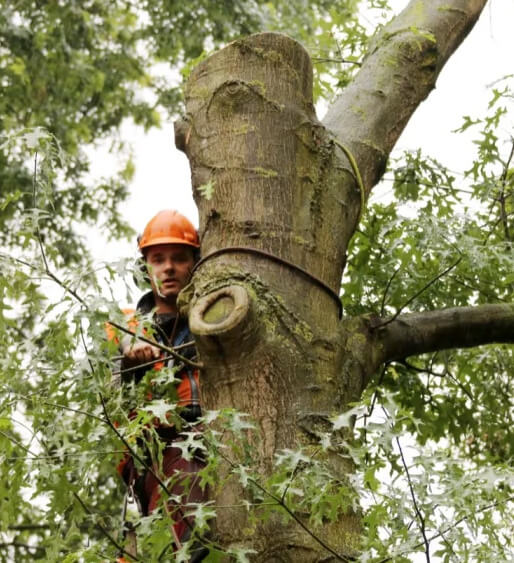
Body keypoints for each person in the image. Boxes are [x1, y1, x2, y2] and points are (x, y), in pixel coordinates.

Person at [112, 209, 207, 561]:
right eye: (158, 259)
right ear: (146, 266)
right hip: (159, 449)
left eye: (179, 259)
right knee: (181, 535)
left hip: (210, 440)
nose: (168, 268)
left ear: (194, 264)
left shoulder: (211, 316)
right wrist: (132, 355)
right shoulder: (128, 323)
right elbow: (120, 359)